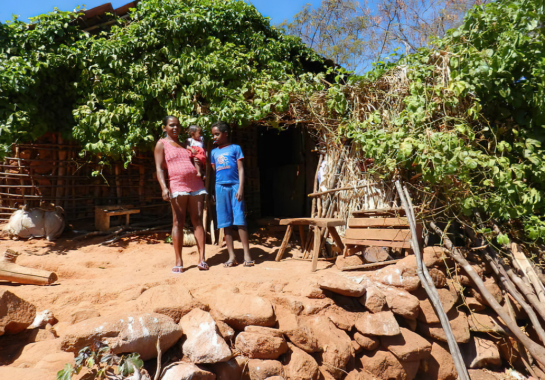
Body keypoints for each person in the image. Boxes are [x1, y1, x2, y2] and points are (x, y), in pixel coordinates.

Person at [154, 116, 209, 273]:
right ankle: (179, 261)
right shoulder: (161, 144)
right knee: (178, 221)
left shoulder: (186, 143)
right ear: (164, 127)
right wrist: (164, 188)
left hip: (196, 184)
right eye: (171, 125)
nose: (175, 128)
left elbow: (196, 158)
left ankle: (202, 259)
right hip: (177, 184)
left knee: (197, 219)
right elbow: (159, 168)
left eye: (177, 125)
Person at [210, 121, 254, 267]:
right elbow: (215, 171)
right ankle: (231, 257)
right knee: (225, 222)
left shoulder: (236, 148)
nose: (214, 137)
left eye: (217, 134)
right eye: (213, 135)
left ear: (226, 133)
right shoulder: (214, 152)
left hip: (235, 186)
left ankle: (247, 255)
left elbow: (241, 170)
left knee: (240, 220)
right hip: (220, 188)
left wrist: (241, 187)